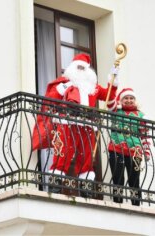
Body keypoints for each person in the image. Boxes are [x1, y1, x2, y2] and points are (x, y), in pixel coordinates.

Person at [32, 53, 118, 197]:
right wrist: (63, 88)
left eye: (83, 68)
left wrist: (113, 81)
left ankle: (86, 187)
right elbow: (51, 98)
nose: (81, 70)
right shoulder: (65, 84)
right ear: (72, 68)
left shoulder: (94, 88)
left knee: (87, 155)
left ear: (88, 71)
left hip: (88, 125)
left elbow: (109, 95)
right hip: (67, 122)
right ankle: (56, 183)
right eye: (78, 67)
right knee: (63, 151)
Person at [107, 88, 150, 206]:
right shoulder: (116, 111)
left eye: (131, 98)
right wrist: (114, 83)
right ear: (121, 100)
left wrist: (146, 151)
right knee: (118, 178)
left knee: (134, 180)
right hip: (116, 149)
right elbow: (110, 102)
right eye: (126, 98)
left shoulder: (140, 115)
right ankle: (118, 203)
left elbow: (144, 135)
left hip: (134, 151)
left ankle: (136, 205)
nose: (129, 100)